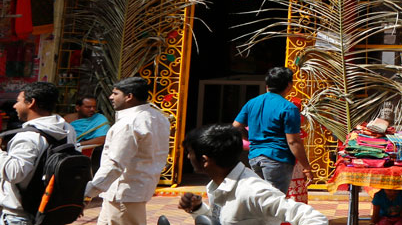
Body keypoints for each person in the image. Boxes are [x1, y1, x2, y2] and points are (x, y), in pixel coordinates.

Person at [178, 124, 326, 225]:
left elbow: (314, 218)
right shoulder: (216, 186)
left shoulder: (252, 190)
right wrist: (198, 209)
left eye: (189, 152)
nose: (188, 157)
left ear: (205, 160)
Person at [85, 76, 171, 225]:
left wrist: (88, 193)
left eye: (116, 93)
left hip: (124, 193)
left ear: (129, 96)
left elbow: (115, 163)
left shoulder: (129, 123)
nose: (111, 97)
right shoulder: (158, 117)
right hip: (129, 191)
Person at [0, 82, 77, 224]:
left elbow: (14, 173)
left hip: (20, 215)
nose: (14, 106)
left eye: (18, 101)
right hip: (50, 209)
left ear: (31, 103)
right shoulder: (67, 129)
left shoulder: (28, 136)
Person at [233, 67, 312, 193]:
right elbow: (293, 141)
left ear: (267, 85)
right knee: (275, 202)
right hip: (277, 158)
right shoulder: (288, 108)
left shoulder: (252, 103)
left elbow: (236, 126)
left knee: (262, 199)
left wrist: (248, 137)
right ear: (289, 85)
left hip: (254, 157)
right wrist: (306, 167)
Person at [69, 95, 110, 162]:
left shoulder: (100, 119)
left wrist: (79, 144)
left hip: (89, 154)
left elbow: (103, 138)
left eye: (94, 107)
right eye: (88, 107)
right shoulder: (68, 119)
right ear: (78, 107)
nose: (92, 109)